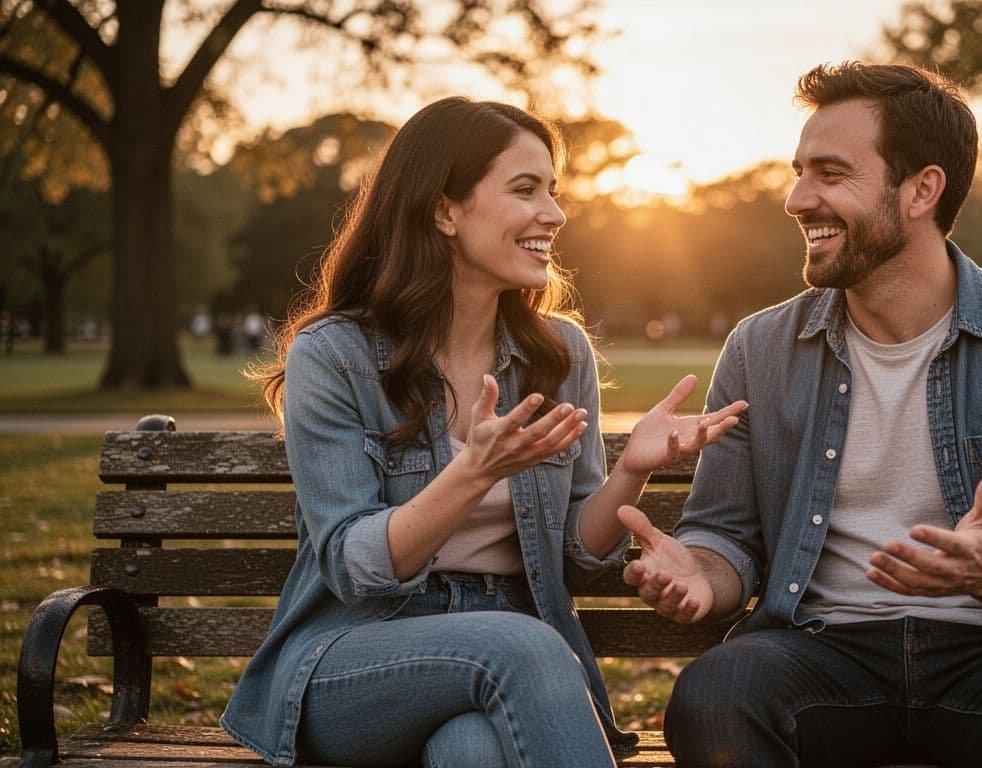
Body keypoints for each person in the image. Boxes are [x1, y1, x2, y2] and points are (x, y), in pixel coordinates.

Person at [618, 62, 982, 767]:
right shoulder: (760, 347)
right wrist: (700, 574)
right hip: (821, 650)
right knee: (715, 695)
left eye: (830, 175)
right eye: (798, 171)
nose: (796, 199)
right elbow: (727, 536)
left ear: (921, 190)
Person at [219, 97, 746, 768]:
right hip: (354, 655)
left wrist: (630, 471)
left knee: (472, 751)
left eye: (553, 192)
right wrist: (472, 474)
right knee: (519, 646)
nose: (553, 214)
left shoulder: (559, 353)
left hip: (506, 658)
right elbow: (355, 569)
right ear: (445, 210)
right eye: (524, 190)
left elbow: (577, 558)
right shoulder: (335, 355)